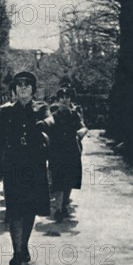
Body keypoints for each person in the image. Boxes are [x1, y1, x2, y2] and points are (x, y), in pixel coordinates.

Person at [0, 71, 53, 265]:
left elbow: (50, 120)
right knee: (14, 209)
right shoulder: (5, 110)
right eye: (19, 84)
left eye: (27, 84)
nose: (23, 87)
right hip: (12, 165)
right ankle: (16, 251)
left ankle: (24, 245)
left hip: (34, 165)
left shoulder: (41, 108)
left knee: (29, 209)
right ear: (14, 89)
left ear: (33, 90)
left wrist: (43, 124)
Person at [48, 86, 89, 222]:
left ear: (70, 99)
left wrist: (81, 132)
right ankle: (58, 209)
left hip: (72, 151)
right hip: (57, 152)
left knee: (69, 180)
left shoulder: (74, 115)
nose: (64, 100)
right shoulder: (53, 116)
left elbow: (83, 127)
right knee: (58, 180)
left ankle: (64, 204)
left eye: (67, 97)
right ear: (58, 100)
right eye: (62, 98)